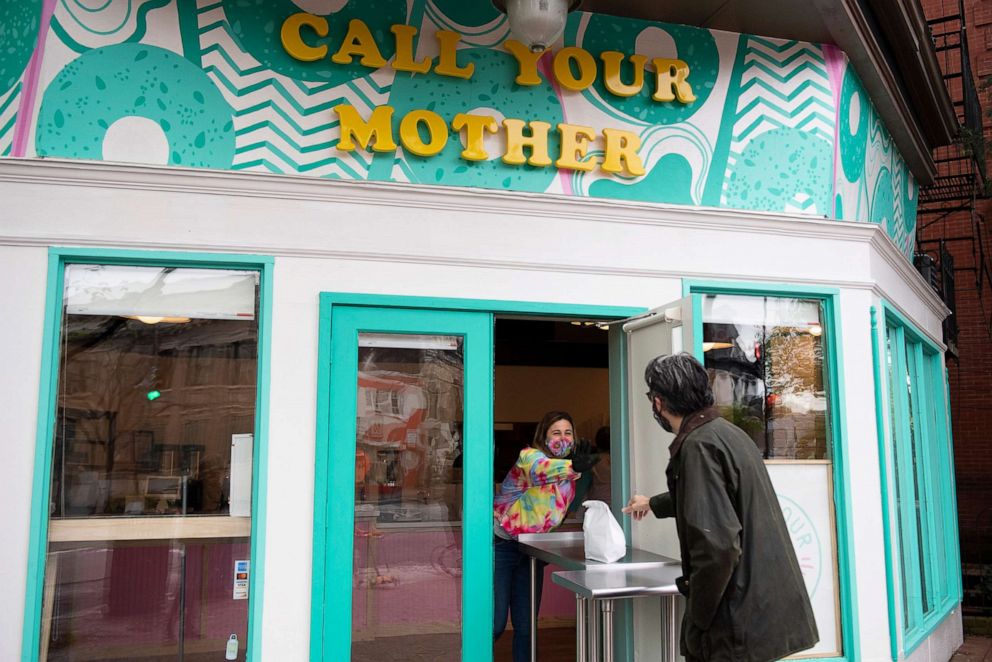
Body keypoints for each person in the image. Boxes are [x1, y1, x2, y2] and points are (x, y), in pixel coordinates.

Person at [622, 353, 818, 662]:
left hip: (736, 623)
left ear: (658, 402)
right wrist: (653, 503)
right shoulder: (727, 433)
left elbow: (718, 548)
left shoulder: (699, 446)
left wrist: (697, 620)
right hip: (761, 612)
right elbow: (716, 497)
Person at [493, 410, 598, 662]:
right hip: (503, 545)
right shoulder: (529, 457)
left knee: (527, 627)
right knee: (494, 624)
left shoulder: (573, 477)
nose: (562, 438)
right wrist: (574, 466)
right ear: (543, 435)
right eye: (556, 433)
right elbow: (541, 471)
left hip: (534, 551)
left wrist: (579, 470)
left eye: (568, 433)